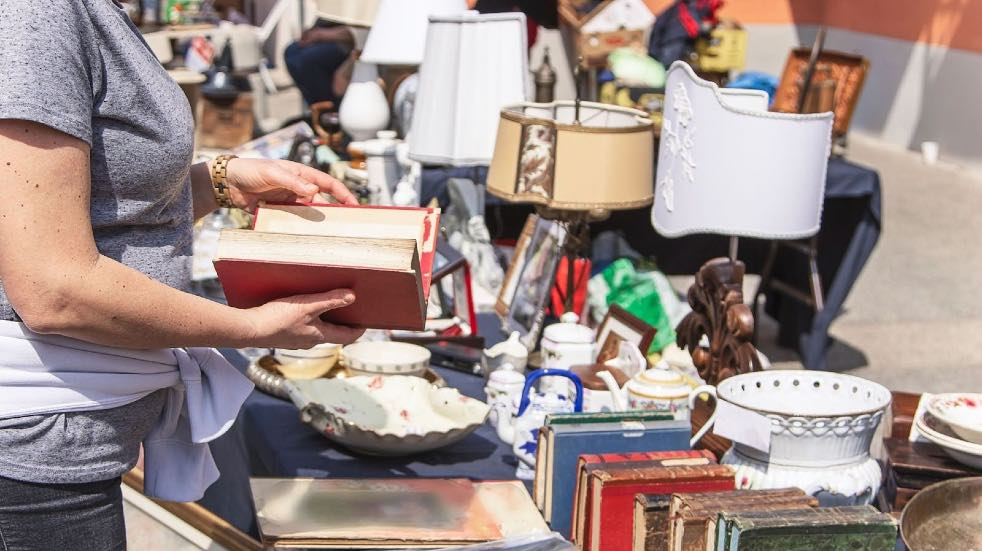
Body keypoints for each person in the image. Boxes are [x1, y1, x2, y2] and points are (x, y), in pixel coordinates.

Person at [0, 1, 364, 549]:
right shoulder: (35, 14)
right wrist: (250, 327)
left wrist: (219, 182)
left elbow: (98, 210)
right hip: (33, 461)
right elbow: (54, 287)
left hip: (61, 453)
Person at [284, 23, 357, 106]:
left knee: (308, 60)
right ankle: (319, 110)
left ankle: (328, 109)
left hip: (350, 40)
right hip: (335, 31)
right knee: (292, 51)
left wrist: (322, 34)